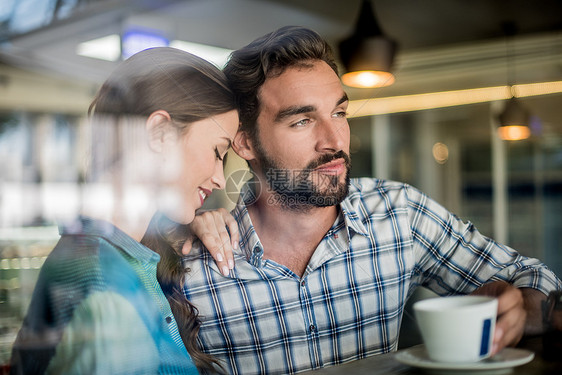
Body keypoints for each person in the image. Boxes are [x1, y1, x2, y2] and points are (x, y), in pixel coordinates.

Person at [179, 26, 562, 374]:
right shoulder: (190, 267)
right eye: (302, 121)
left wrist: (524, 307)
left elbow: (534, 279)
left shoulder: (400, 214)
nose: (335, 140)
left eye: (340, 112)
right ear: (244, 142)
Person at [10, 47, 239, 374]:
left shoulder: (116, 256)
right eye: (218, 151)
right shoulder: (104, 282)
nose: (219, 178)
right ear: (159, 133)